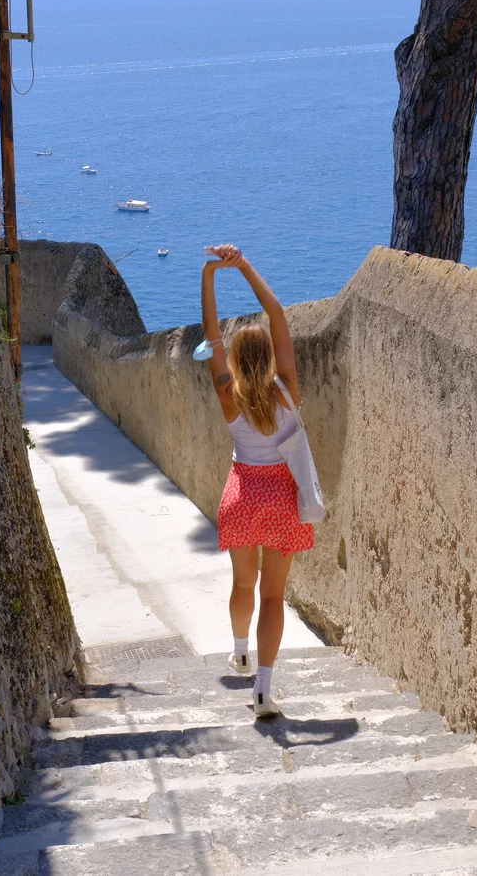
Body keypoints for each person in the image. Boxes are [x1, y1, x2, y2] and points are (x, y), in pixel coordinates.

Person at [200, 243, 314, 718]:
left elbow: (210, 337)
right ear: (268, 354)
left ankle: (240, 649)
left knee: (244, 585)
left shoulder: (228, 394)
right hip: (282, 496)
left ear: (233, 359)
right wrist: (244, 265)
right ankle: (264, 688)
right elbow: (277, 312)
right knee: (273, 594)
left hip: (242, 496)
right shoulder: (286, 386)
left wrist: (209, 272)